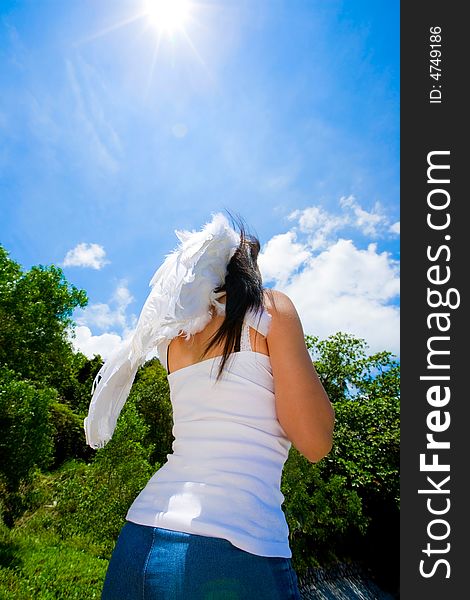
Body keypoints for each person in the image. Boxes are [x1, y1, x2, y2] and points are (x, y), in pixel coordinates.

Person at [84, 213, 335, 600]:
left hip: (138, 539)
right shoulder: (271, 310)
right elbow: (315, 441)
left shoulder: (172, 341)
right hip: (232, 546)